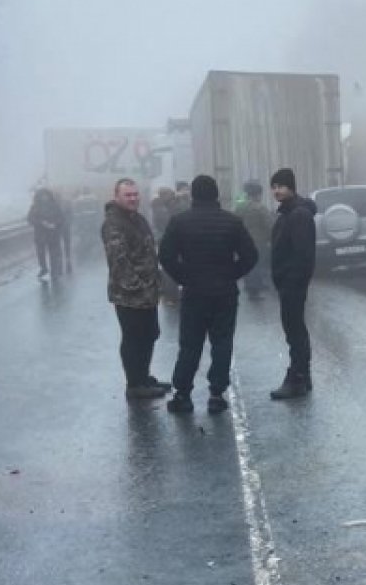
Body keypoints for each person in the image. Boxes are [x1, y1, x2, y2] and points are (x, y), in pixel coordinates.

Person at [159, 175, 258, 414]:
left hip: (194, 291)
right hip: (224, 292)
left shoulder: (179, 222)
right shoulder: (232, 222)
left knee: (190, 344)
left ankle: (182, 394)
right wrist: (232, 274)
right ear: (216, 195)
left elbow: (165, 256)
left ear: (193, 195)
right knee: (222, 342)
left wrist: (184, 277)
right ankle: (216, 393)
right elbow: (251, 256)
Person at [101, 178, 171, 399]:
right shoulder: (114, 223)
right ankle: (135, 384)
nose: (133, 198)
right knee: (134, 337)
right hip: (129, 294)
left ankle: (144, 376)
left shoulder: (137, 219)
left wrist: (156, 282)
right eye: (127, 195)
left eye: (135, 194)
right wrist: (137, 287)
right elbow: (119, 260)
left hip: (148, 291)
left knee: (149, 334)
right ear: (117, 196)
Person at [268, 168, 318, 399]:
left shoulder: (298, 215)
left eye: (281, 186)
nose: (276, 191)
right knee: (295, 329)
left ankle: (297, 378)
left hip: (292, 284)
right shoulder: (289, 213)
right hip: (288, 282)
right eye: (274, 186)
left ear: (291, 187)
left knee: (294, 330)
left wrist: (291, 281)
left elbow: (303, 254)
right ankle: (303, 376)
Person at [236, 181, 273, 299]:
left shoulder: (240, 207)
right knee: (257, 265)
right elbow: (269, 225)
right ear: (257, 194)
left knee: (248, 264)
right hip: (258, 241)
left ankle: (250, 285)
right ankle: (254, 290)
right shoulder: (260, 207)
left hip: (243, 241)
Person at [27, 187, 64, 280]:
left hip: (53, 234)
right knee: (40, 254)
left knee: (53, 254)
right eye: (42, 196)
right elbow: (30, 219)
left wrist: (54, 224)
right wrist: (41, 223)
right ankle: (43, 268)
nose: (44, 198)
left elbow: (61, 218)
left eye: (46, 195)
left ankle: (54, 271)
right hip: (40, 235)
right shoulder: (35, 207)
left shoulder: (55, 206)